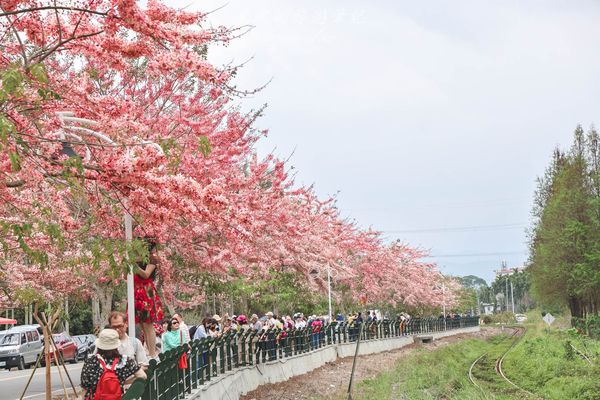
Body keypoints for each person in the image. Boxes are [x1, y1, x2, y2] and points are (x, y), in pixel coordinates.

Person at [81, 329, 146, 400]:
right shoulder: (125, 361)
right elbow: (143, 376)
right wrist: (124, 382)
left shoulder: (90, 362)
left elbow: (85, 388)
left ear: (99, 345)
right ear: (116, 345)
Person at [133, 238, 164, 358]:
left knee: (148, 324)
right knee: (142, 324)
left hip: (146, 290)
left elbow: (146, 274)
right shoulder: (135, 258)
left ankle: (152, 353)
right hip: (136, 290)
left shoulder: (152, 258)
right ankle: (148, 352)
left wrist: (134, 265)